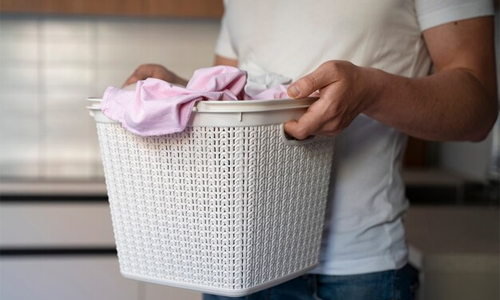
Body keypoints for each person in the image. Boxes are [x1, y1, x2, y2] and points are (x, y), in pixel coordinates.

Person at [124, 0, 498, 299]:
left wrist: (371, 91)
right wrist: (177, 95)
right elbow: (232, 98)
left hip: (356, 271)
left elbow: (479, 108)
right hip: (238, 264)